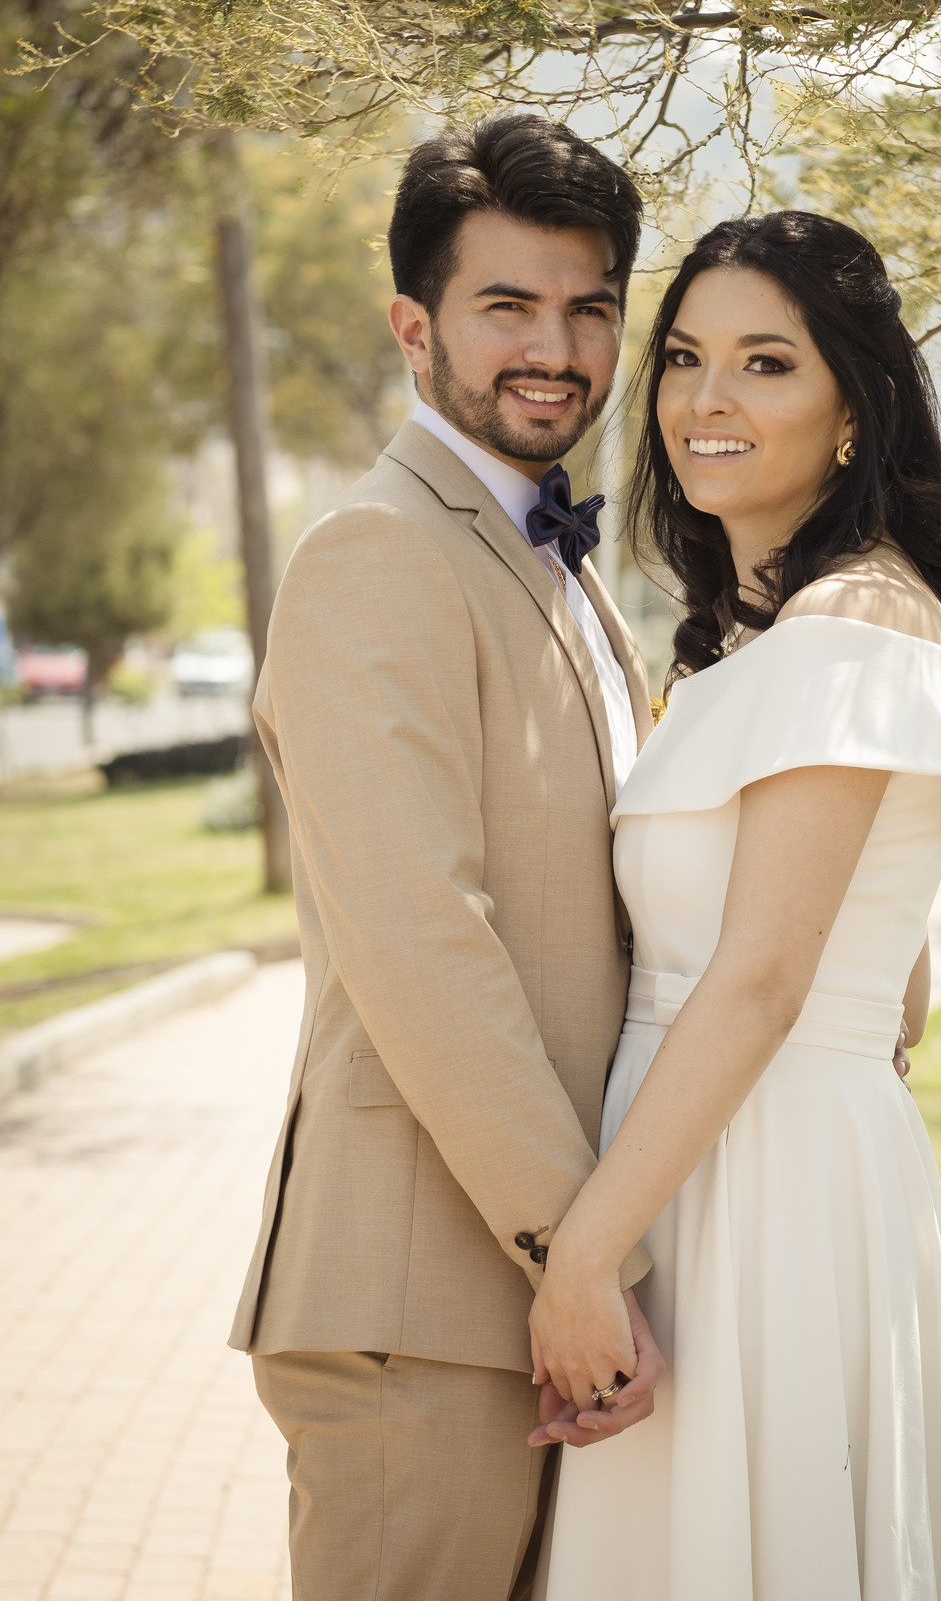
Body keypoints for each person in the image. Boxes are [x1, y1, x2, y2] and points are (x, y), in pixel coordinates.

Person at [531, 211, 941, 1600]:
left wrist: (582, 1256)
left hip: (750, 1190)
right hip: (738, 1159)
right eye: (684, 358)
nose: (706, 400)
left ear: (854, 410)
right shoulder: (793, 635)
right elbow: (896, 992)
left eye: (766, 363)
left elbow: (759, 984)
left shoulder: (853, 625)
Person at [228, 112, 668, 1601]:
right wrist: (579, 1254)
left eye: (589, 307)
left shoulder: (556, 564)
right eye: (508, 308)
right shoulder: (377, 556)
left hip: (528, 1298)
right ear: (414, 328)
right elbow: (425, 938)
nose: (555, 347)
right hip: (423, 1309)